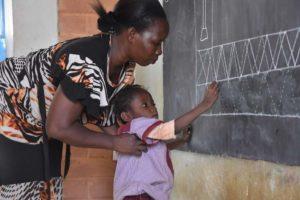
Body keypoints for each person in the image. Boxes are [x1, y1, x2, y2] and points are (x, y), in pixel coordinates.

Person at [0, 0, 169, 199]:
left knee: (49, 189)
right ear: (132, 35)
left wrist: (153, 143)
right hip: (10, 109)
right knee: (24, 188)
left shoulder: (124, 68)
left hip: (42, 121)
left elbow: (105, 120)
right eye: (156, 42)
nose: (160, 50)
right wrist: (115, 142)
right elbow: (58, 128)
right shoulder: (87, 64)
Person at [113, 83, 219, 200]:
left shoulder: (132, 134)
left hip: (138, 194)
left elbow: (156, 150)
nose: (152, 108)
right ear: (127, 116)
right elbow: (171, 128)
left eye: (153, 104)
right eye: (145, 105)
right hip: (140, 195)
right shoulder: (137, 125)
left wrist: (181, 141)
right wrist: (205, 104)